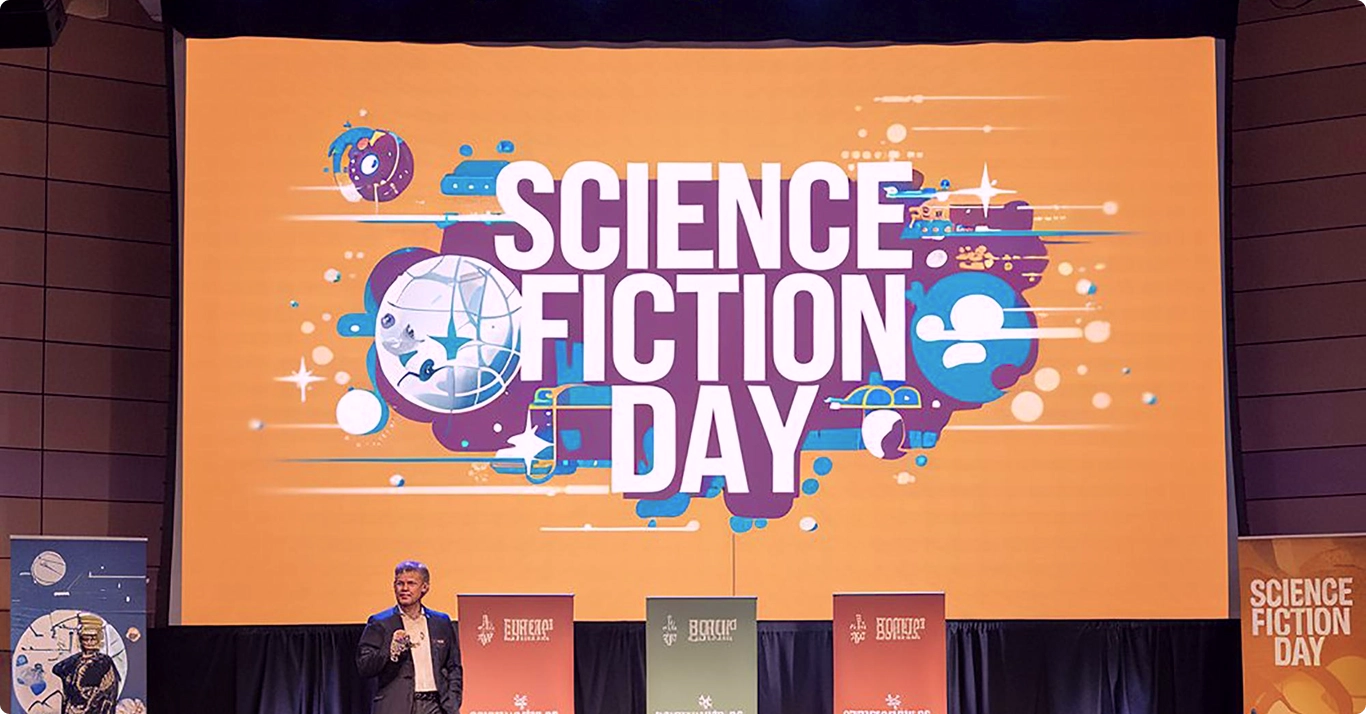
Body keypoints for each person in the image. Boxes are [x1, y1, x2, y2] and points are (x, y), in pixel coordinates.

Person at [357, 560, 463, 714]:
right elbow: (364, 666)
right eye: (400, 583)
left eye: (411, 583)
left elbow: (453, 667)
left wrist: (452, 702)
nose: (404, 589)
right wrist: (390, 651)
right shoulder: (380, 623)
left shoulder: (441, 622)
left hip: (435, 706)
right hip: (397, 706)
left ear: (424, 587)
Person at [52, 613, 120, 714]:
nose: (89, 642)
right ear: (80, 639)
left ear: (98, 639)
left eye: (93, 638)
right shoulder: (74, 660)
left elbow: (109, 690)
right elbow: (57, 669)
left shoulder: (105, 662)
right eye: (85, 638)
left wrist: (93, 694)